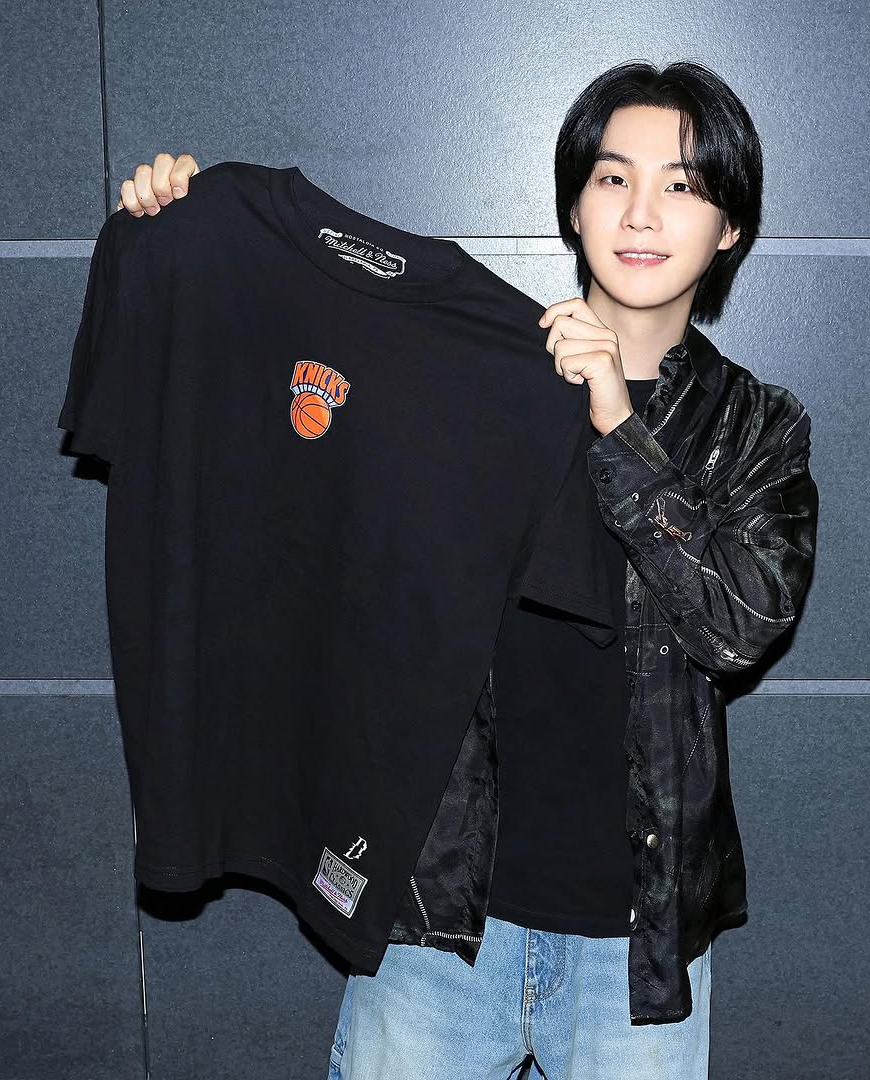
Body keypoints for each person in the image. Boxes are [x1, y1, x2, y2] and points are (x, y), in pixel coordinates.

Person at [105, 59, 818, 1080]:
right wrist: (181, 228)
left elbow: (738, 625)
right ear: (573, 205)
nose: (642, 212)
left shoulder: (756, 428)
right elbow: (278, 387)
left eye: (683, 185)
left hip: (638, 950)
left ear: (731, 226)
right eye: (614, 177)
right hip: (436, 923)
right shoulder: (464, 377)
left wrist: (617, 425)